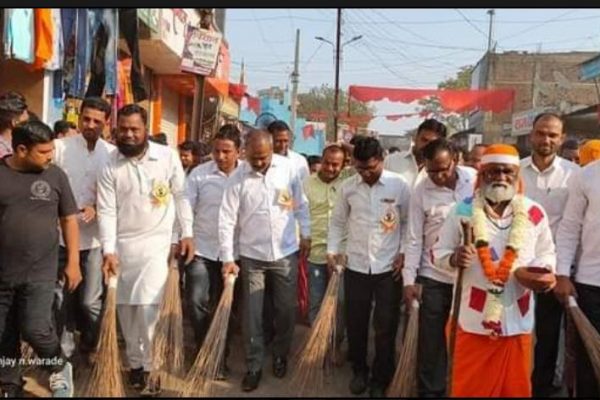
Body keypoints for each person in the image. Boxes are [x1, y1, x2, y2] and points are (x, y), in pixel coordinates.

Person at [433, 144, 557, 397]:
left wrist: (542, 272)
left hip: (517, 320)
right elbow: (437, 253)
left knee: (515, 390)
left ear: (516, 175)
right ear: (482, 174)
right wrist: (454, 258)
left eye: (507, 172)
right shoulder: (462, 210)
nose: (501, 177)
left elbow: (547, 253)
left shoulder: (534, 212)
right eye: (493, 171)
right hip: (472, 321)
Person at [97, 104, 194, 396]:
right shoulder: (109, 164)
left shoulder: (167, 156)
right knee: (126, 309)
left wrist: (186, 233)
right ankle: (135, 364)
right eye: (123, 129)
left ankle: (153, 368)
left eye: (134, 129)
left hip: (157, 244)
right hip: (122, 247)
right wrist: (108, 250)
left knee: (149, 308)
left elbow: (181, 195)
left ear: (146, 130)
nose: (128, 135)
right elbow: (106, 210)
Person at [218, 129, 310, 392]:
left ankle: (280, 354)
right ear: (244, 151)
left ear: (272, 151)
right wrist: (227, 258)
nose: (259, 163)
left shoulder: (288, 170)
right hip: (252, 256)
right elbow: (226, 220)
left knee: (286, 310)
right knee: (252, 315)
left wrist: (306, 233)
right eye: (254, 158)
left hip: (285, 253)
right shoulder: (237, 178)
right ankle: (254, 365)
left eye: (264, 157)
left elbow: (300, 204)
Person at [0, 121, 82, 397]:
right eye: (44, 151)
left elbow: (69, 219)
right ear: (22, 150)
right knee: (3, 333)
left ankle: (59, 367)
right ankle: (10, 384)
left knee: (36, 329)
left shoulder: (55, 176)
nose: (51, 156)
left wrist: (73, 262)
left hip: (41, 270)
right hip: (3, 272)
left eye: (52, 150)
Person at [327, 137, 410, 397]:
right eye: (360, 168)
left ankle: (380, 378)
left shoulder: (399, 185)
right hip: (356, 266)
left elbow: (408, 222)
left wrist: (403, 252)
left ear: (382, 160)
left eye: (371, 168)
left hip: (388, 268)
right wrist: (332, 251)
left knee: (385, 326)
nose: (365, 173)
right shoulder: (348, 188)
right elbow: (337, 222)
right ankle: (359, 370)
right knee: (357, 323)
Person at [403, 138, 476, 397]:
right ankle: (430, 391)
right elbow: (414, 238)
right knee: (431, 342)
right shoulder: (421, 191)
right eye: (430, 170)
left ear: (455, 160)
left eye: (443, 169)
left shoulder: (474, 180)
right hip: (433, 275)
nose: (437, 176)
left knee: (466, 338)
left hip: (469, 277)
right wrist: (409, 280)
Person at [518, 112, 578, 397]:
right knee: (516, 330)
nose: (546, 139)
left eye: (553, 135)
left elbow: (574, 225)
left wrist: (563, 270)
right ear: (531, 135)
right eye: (541, 133)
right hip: (517, 267)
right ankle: (515, 383)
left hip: (554, 268)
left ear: (562, 138)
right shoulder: (514, 171)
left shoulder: (573, 176)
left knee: (548, 333)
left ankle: (541, 387)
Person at [53, 97, 116, 365]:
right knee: (61, 298)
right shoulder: (60, 148)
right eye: (86, 119)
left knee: (90, 302)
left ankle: (90, 344)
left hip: (93, 240)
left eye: (96, 121)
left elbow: (117, 197)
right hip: (59, 237)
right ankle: (64, 355)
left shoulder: (112, 155)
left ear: (106, 123)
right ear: (78, 118)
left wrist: (97, 208)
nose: (90, 125)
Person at [184, 124, 243, 379]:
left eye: (226, 151)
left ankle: (219, 356)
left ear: (238, 151)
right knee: (196, 301)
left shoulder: (247, 175)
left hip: (236, 253)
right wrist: (184, 236)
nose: (220, 156)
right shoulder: (199, 174)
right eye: (217, 150)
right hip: (202, 249)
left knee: (226, 307)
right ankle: (201, 348)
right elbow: (186, 206)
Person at [555, 151, 600, 398]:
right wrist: (562, 273)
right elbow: (570, 226)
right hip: (592, 285)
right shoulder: (588, 175)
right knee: (588, 364)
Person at [303, 144, 353, 360]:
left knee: (340, 303)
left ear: (343, 165)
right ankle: (317, 346)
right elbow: (299, 213)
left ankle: (335, 345)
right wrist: (302, 236)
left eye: (336, 165)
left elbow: (364, 160)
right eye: (327, 163)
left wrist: (348, 147)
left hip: (341, 255)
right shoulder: (307, 184)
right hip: (315, 253)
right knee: (315, 302)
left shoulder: (348, 183)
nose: (331, 168)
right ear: (321, 161)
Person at [384, 118, 447, 187]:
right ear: (416, 138)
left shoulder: (442, 171)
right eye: (424, 140)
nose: (427, 146)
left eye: (432, 143)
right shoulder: (391, 161)